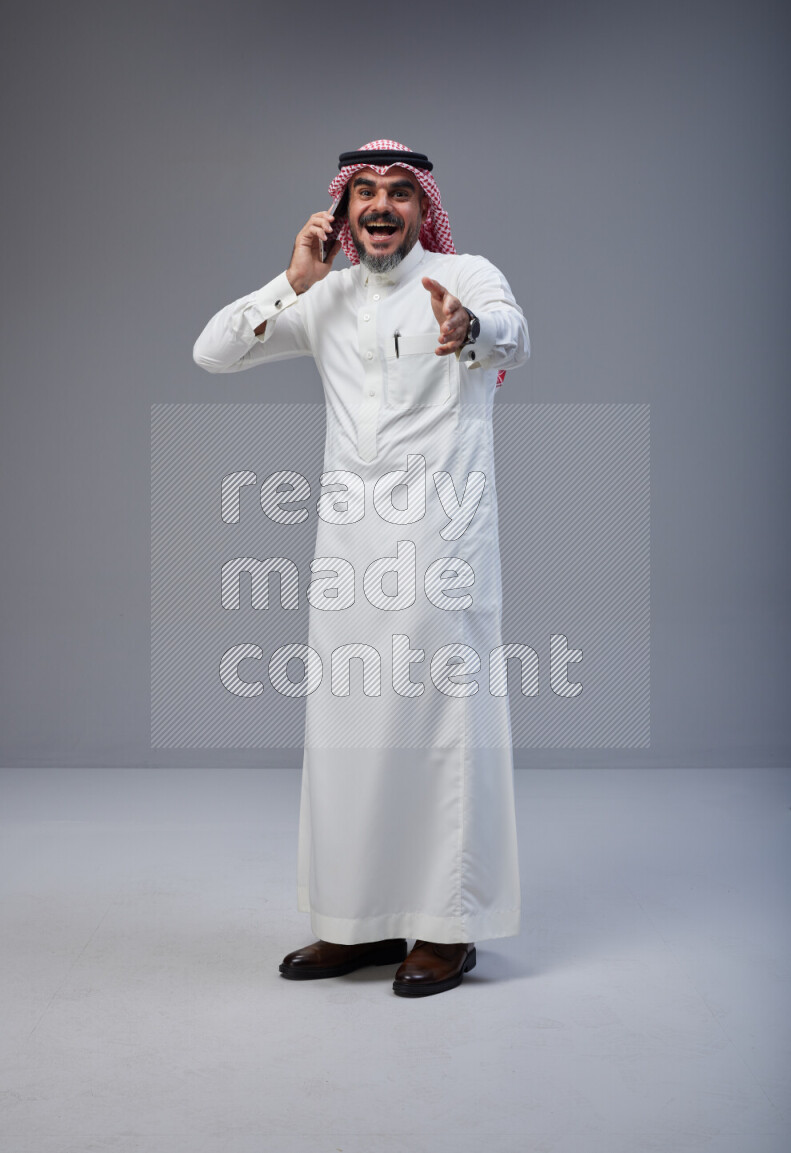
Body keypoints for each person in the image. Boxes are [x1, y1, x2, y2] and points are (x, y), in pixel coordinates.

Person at [193, 140, 530, 997]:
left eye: (400, 194)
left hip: (441, 542)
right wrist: (291, 281)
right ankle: (357, 923)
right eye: (365, 193)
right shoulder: (327, 295)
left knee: (437, 731)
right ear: (342, 212)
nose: (381, 206)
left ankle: (445, 932)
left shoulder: (468, 273)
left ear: (423, 209)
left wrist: (472, 329)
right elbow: (213, 352)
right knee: (350, 734)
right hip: (348, 551)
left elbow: (515, 339)